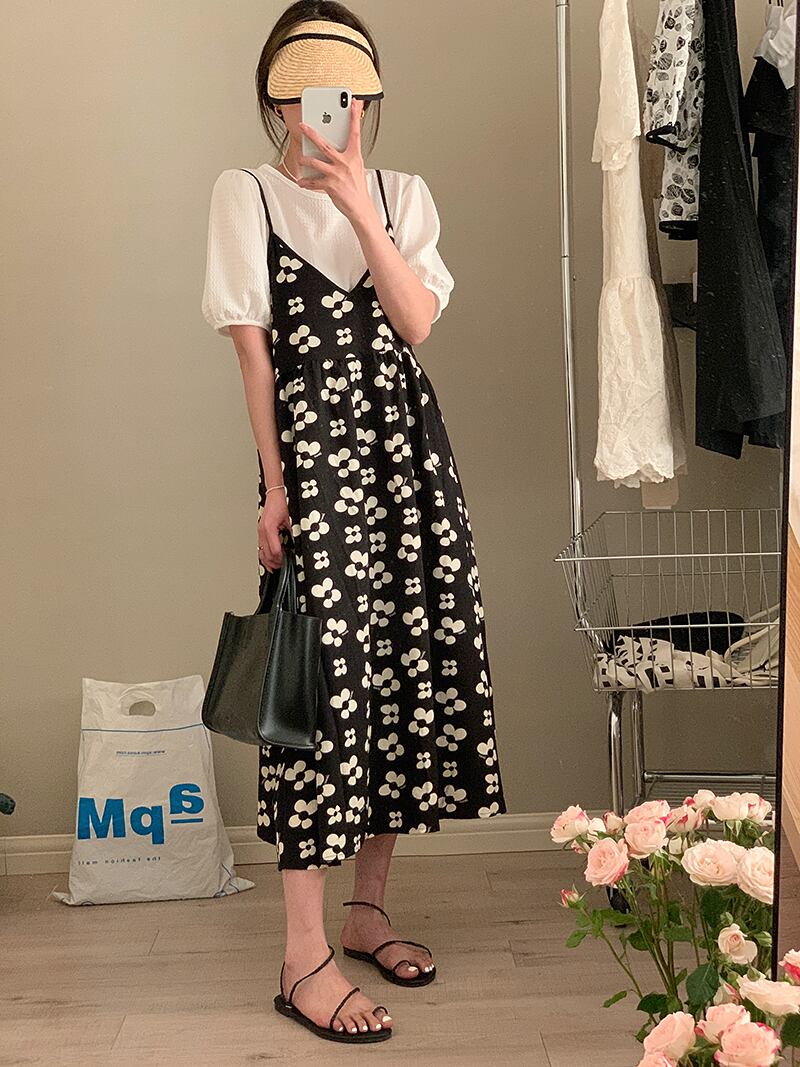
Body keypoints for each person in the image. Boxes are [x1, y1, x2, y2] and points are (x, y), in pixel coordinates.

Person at [202, 0, 506, 1044]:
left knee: (405, 669)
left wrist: (359, 205)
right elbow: (253, 356)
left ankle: (366, 910)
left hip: (408, 462)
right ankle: (301, 956)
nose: (327, 112)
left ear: (367, 98)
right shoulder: (243, 194)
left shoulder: (403, 196)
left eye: (345, 94)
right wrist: (273, 485)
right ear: (276, 100)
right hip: (316, 468)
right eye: (304, 94)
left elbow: (414, 321)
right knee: (320, 690)